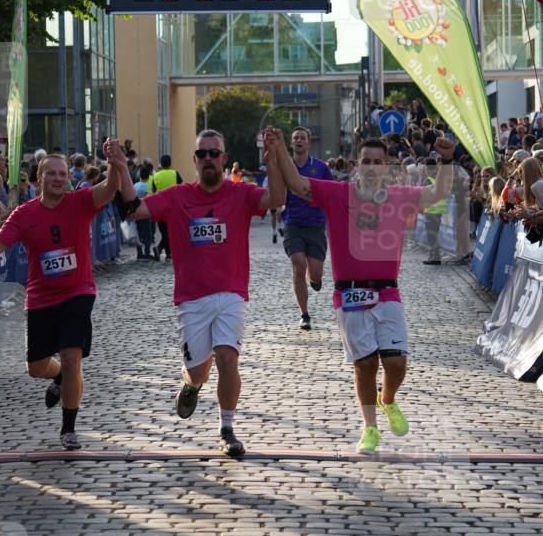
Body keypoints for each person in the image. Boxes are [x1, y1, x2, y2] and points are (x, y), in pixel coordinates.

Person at [269, 131, 455, 454]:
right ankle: (370, 427)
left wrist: (447, 160)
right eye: (366, 161)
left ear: (387, 166)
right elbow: (296, 183)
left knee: (396, 364)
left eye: (378, 162)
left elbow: (439, 191)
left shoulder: (399, 196)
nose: (371, 167)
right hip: (349, 295)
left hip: (387, 292)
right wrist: (280, 147)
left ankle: (388, 399)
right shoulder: (337, 193)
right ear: (357, 165)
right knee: (365, 365)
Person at [125, 128, 285, 457]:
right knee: (199, 369)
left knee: (227, 358)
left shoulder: (240, 194)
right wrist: (117, 165)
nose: (208, 159)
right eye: (202, 154)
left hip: (231, 293)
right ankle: (192, 383)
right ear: (194, 160)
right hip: (191, 298)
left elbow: (277, 199)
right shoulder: (176, 196)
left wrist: (273, 160)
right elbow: (134, 209)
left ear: (224, 158)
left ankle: (227, 428)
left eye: (214, 153)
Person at [0, 140, 135, 451]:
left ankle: (69, 428)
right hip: (41, 297)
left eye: (62, 174)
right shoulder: (25, 214)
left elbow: (110, 187)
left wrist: (114, 161)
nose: (58, 178)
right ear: (39, 179)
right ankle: (60, 375)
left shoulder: (81, 202)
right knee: (36, 367)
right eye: (51, 173)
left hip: (78, 291)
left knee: (72, 355)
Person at [280, 126, 333, 330]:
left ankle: (315, 279)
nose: (299, 141)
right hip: (293, 224)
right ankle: (304, 314)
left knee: (316, 274)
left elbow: (331, 193)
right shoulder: (285, 168)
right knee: (298, 265)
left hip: (316, 225)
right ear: (291, 143)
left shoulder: (320, 167)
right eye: (296, 138)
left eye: (302, 138)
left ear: (309, 143)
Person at [149, 154, 183, 260]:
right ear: (170, 163)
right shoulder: (175, 173)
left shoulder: (155, 176)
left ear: (161, 164)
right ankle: (163, 251)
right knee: (170, 231)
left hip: (160, 207)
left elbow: (153, 191)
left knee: (164, 231)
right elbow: (181, 187)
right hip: (173, 207)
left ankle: (165, 252)